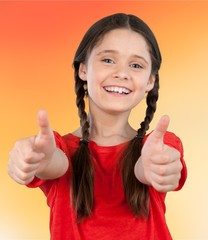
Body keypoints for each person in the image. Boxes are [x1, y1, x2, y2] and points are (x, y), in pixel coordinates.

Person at [7, 13, 187, 240]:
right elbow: (54, 162)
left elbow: (149, 168)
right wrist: (36, 158)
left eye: (135, 65)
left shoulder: (159, 145)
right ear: (83, 69)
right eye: (108, 60)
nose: (121, 73)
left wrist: (159, 167)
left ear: (150, 81)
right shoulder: (58, 147)